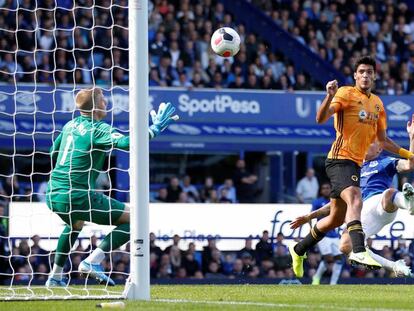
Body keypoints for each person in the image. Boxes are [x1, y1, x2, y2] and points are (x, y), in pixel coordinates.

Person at [289, 55, 414, 278]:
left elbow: (384, 141)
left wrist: (409, 153)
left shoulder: (377, 104)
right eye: (362, 72)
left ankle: (298, 249)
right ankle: (359, 250)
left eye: (369, 72)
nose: (365, 75)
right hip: (339, 158)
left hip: (354, 165)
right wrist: (328, 96)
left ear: (374, 76)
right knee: (355, 198)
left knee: (337, 218)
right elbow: (320, 118)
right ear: (355, 75)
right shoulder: (345, 93)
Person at [45, 88, 178, 287]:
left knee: (74, 225)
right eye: (102, 99)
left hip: (53, 193)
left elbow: (53, 153)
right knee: (136, 219)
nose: (106, 102)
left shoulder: (69, 126)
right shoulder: (98, 129)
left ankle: (55, 277)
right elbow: (127, 143)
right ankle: (92, 261)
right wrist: (154, 129)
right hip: (77, 195)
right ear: (96, 106)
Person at [310, 183, 343, 285]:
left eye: (327, 188)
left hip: (334, 234)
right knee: (328, 258)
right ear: (321, 190)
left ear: (331, 189)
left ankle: (333, 283)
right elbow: (311, 217)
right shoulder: (317, 202)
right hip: (322, 234)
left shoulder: (335, 201)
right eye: (323, 188)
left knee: (339, 259)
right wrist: (312, 233)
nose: (326, 190)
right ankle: (316, 277)